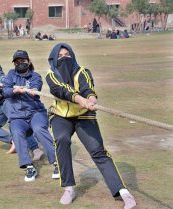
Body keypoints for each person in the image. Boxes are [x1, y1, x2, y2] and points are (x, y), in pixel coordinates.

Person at [45, 43, 136, 208]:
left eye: (67, 54)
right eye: (60, 56)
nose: (65, 58)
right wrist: (80, 99)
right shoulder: (51, 75)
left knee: (97, 149)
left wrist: (91, 99)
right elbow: (61, 90)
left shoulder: (82, 71)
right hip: (60, 115)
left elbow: (87, 88)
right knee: (62, 140)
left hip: (84, 115)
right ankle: (69, 188)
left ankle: (122, 191)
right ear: (53, 59)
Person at [3, 50, 59, 182]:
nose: (20, 63)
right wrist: (14, 90)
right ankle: (29, 166)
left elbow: (36, 86)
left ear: (28, 61)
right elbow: (5, 90)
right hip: (17, 116)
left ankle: (57, 163)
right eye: (17, 62)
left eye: (23, 61)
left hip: (35, 113)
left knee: (39, 129)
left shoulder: (35, 76)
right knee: (16, 131)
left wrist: (32, 90)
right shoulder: (11, 74)